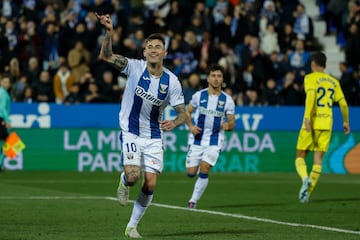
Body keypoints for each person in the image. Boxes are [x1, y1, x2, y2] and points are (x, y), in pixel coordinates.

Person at [95, 13, 186, 238]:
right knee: (134, 176)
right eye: (150, 46)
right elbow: (106, 56)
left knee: (151, 184)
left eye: (158, 47)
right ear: (144, 52)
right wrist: (109, 31)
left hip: (154, 135)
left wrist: (175, 122)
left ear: (165, 52)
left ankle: (132, 226)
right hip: (131, 131)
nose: (154, 50)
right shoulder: (134, 68)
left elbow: (183, 112)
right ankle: (124, 181)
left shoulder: (172, 81)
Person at [295, 52, 350, 203]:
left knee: (300, 155)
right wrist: (346, 122)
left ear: (313, 64)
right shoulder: (334, 81)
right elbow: (344, 104)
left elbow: (311, 97)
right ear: (325, 65)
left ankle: (305, 179)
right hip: (327, 124)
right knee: (318, 160)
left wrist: (307, 118)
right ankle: (307, 194)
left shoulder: (310, 78)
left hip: (312, 122)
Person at [185, 64, 235, 209]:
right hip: (197, 139)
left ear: (222, 79)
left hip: (215, 140)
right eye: (213, 75)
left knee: (205, 167)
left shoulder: (228, 100)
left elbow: (232, 122)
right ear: (208, 78)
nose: (216, 79)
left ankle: (192, 201)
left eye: (219, 76)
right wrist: (191, 127)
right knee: (190, 173)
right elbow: (187, 112)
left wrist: (228, 126)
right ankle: (197, 169)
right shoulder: (198, 96)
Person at [0, 75, 12, 171]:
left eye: (7, 82)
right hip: (1, 119)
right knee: (11, 142)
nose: (6, 84)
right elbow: (2, 108)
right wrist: (7, 120)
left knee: (9, 142)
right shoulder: (3, 94)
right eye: (4, 82)